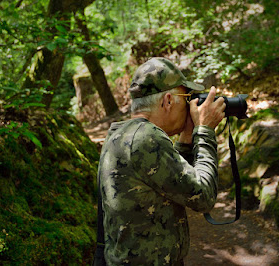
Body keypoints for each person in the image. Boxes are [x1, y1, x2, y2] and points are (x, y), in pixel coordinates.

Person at [97, 57, 226, 265]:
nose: (189, 105)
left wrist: (186, 139)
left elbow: (168, 180)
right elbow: (204, 196)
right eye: (186, 97)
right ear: (167, 101)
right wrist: (205, 131)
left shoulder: (121, 134)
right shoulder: (147, 137)